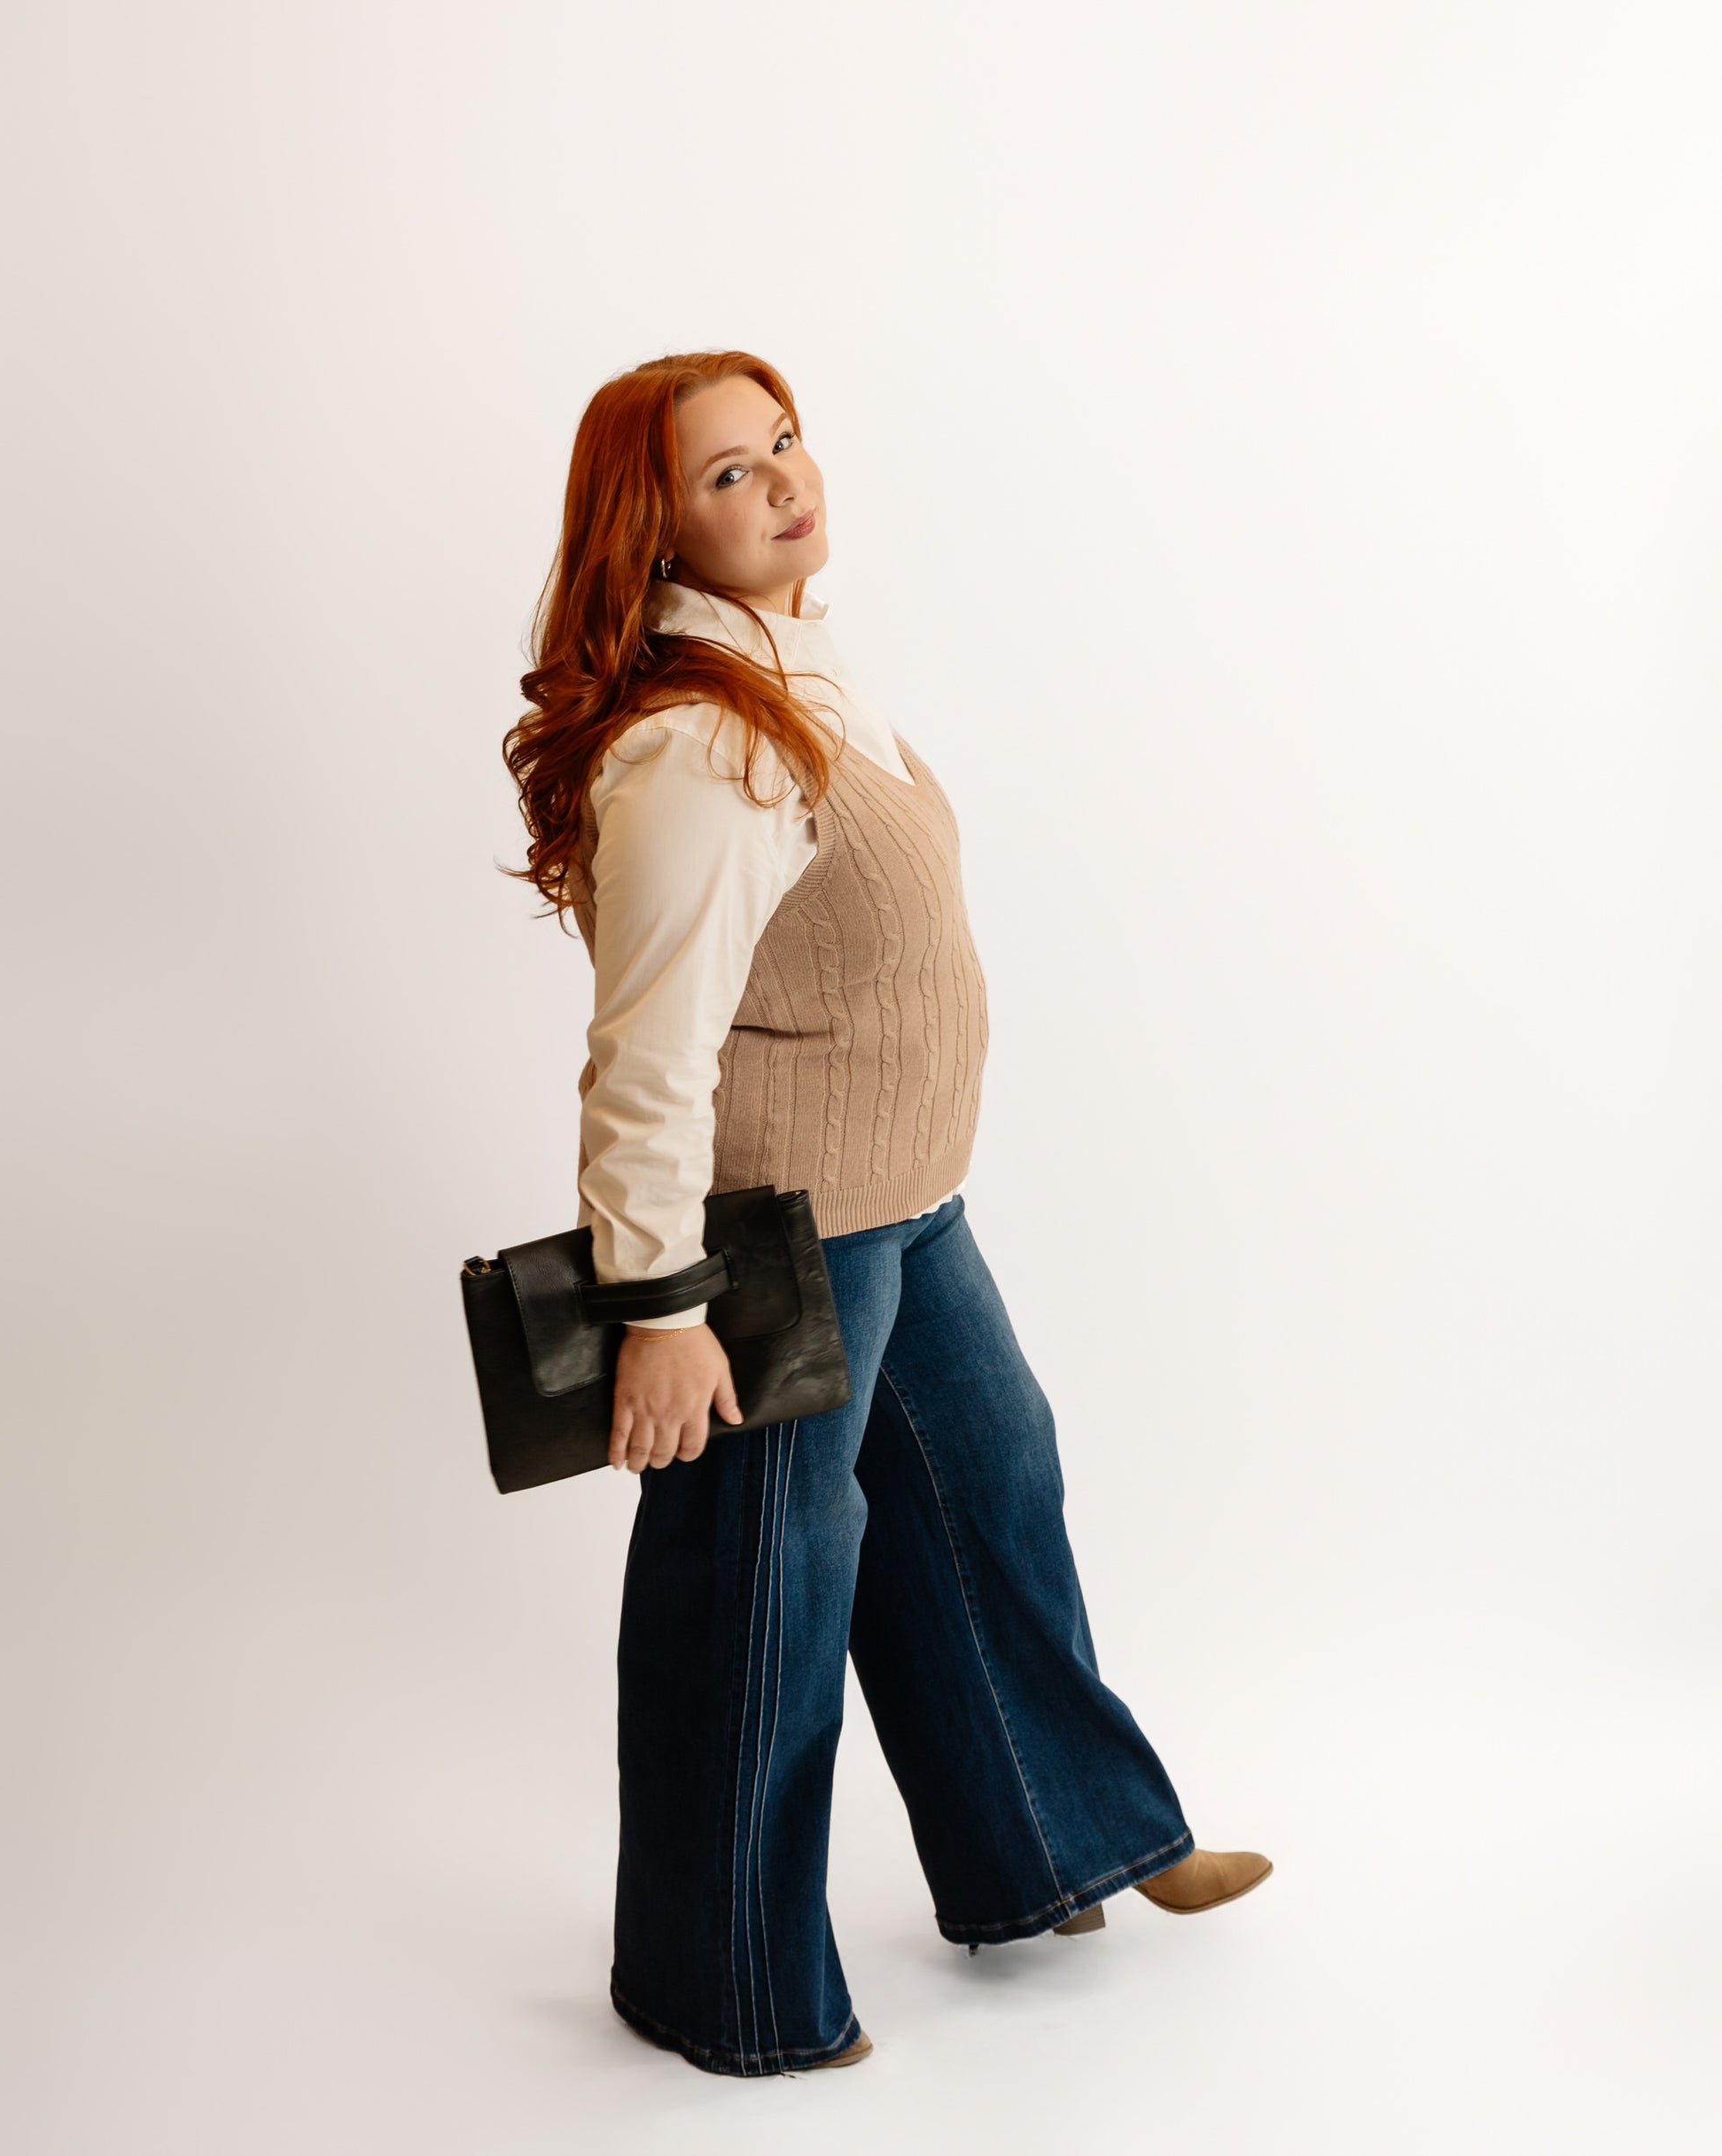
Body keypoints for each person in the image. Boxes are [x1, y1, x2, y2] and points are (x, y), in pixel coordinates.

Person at [501, 349, 1273, 2079]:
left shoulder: (797, 668)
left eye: (783, 442)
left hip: (905, 1198)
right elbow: (647, 1055)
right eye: (727, 472)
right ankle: (727, 1986)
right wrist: (657, 1305)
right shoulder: (699, 743)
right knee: (762, 1591)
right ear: (656, 528)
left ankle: (1058, 1849)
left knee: (987, 1486)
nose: (783, 479)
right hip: (778, 1239)